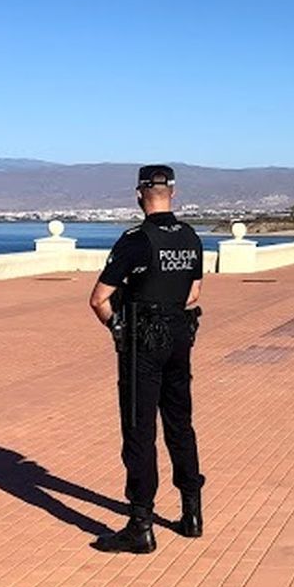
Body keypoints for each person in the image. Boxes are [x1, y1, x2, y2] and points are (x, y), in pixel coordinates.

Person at [88, 165, 205, 553]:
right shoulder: (190, 237)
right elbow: (193, 294)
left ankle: (141, 523)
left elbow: (98, 298)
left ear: (139, 195)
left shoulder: (136, 239)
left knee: (140, 429)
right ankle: (192, 513)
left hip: (144, 339)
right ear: (173, 192)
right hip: (179, 334)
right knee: (180, 423)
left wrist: (119, 330)